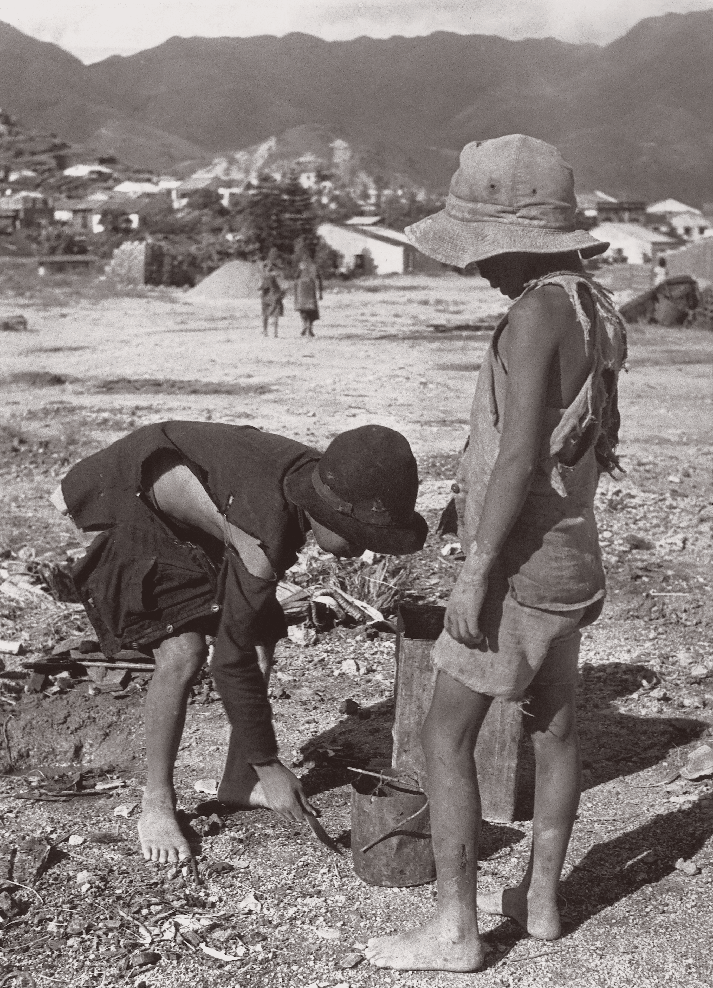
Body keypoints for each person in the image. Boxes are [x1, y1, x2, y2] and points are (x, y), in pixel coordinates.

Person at [365, 135, 627, 972]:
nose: (476, 268)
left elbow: (517, 458)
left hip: (516, 565)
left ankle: (455, 931)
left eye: (483, 249)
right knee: (553, 730)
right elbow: (571, 441)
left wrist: (475, 571)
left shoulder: (531, 314)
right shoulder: (592, 305)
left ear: (517, 239)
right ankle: (541, 904)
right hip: (570, 553)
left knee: (446, 740)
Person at [52, 422, 427, 865]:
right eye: (359, 536)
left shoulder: (320, 480)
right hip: (139, 501)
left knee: (262, 633)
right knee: (183, 653)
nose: (362, 552)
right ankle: (156, 801)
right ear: (326, 512)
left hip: (212, 513)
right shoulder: (263, 530)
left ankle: (238, 781)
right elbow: (230, 660)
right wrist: (270, 763)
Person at [294, 250, 323, 337]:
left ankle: (305, 325)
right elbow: (319, 279)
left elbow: (295, 277)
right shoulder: (314, 267)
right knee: (311, 310)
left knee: (303, 309)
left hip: (302, 290)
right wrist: (320, 293)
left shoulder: (301, 266)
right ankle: (309, 327)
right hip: (310, 290)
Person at [260, 250, 285, 337]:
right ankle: (274, 333)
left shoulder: (265, 276)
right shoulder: (276, 274)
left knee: (265, 315)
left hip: (267, 297)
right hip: (274, 296)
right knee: (275, 315)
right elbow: (283, 286)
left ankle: (266, 331)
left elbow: (260, 287)